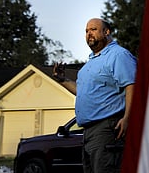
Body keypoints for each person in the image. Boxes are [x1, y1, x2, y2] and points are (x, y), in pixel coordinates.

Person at [53, 18, 136, 173]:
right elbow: (82, 92)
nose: (89, 34)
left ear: (107, 32)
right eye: (86, 31)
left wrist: (127, 118)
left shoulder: (118, 55)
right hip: (87, 132)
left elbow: (132, 85)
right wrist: (62, 79)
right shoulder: (90, 64)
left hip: (107, 129)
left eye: (93, 29)